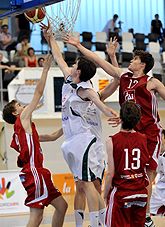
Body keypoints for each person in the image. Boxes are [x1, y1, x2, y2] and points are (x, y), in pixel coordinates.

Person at [64, 34, 165, 227]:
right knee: (120, 170)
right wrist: (78, 45)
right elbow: (98, 61)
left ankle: (145, 217)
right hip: (129, 131)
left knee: (146, 175)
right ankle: (123, 208)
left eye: (135, 59)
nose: (132, 60)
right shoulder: (123, 76)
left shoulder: (152, 82)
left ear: (142, 65)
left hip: (149, 134)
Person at [41, 22, 119, 227]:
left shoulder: (86, 89)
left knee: (90, 184)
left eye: (75, 64)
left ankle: (99, 224)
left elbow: (99, 99)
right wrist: (50, 37)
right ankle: (81, 223)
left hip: (89, 143)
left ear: (79, 71)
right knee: (81, 185)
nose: (72, 65)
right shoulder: (70, 79)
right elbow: (58, 56)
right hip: (74, 139)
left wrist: (109, 110)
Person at [2, 54, 68, 227]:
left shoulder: (27, 132)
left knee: (62, 206)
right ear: (16, 113)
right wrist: (45, 69)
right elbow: (38, 93)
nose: (24, 107)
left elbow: (52, 136)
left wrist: (70, 124)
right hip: (34, 173)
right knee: (37, 216)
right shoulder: (22, 120)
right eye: (20, 106)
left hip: (38, 173)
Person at [104, 101, 150, 227]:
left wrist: (105, 193)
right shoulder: (144, 139)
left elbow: (110, 174)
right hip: (141, 193)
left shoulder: (112, 141)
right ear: (138, 119)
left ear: (121, 118)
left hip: (122, 193)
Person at [150, 129, 165, 216]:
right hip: (159, 190)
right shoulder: (158, 155)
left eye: (161, 137)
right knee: (148, 209)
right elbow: (154, 172)